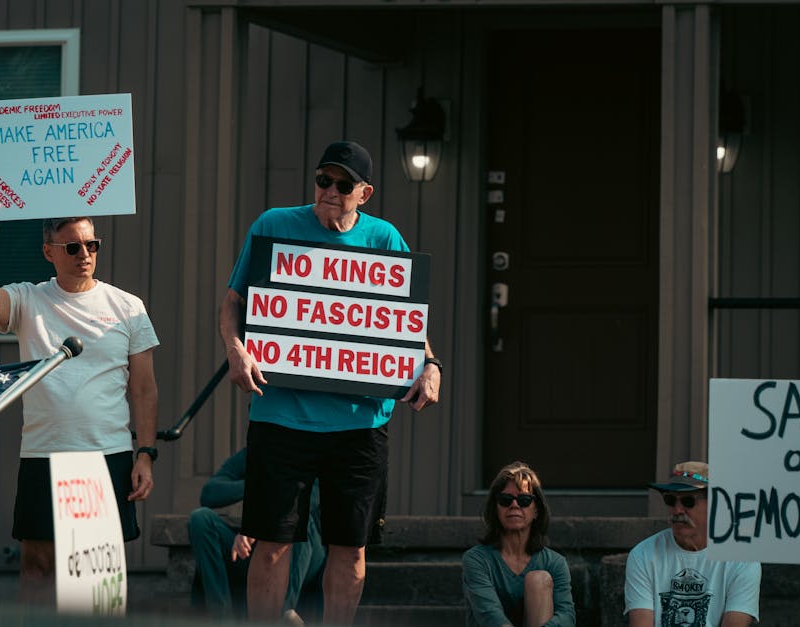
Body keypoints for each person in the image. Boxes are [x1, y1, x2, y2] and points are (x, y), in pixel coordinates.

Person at [220, 140, 442, 624]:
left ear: (365, 193)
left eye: (344, 185)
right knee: (274, 543)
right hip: (281, 414)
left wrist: (431, 365)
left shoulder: (384, 239)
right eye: (324, 180)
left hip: (360, 421)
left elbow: (405, 324)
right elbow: (234, 301)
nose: (331, 191)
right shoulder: (274, 225)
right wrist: (237, 351)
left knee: (352, 548)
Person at [0, 188, 160, 601]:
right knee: (37, 564)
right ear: (49, 252)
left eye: (92, 244)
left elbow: (143, 388)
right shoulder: (29, 299)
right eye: (72, 246)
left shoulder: (128, 306)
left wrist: (145, 453)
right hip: (43, 452)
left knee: (96, 576)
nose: (84, 254)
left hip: (106, 453)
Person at [188, 447, 325, 623]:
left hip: (304, 553)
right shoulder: (260, 449)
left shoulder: (315, 450)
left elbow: (309, 500)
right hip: (250, 548)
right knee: (200, 519)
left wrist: (258, 522)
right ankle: (222, 618)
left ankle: (284, 614)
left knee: (299, 519)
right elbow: (210, 493)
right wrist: (256, 485)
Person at [624, 461, 761, 626]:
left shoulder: (741, 560)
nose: (677, 510)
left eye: (688, 501)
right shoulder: (644, 554)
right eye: (670, 500)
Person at [462, 461, 575, 627]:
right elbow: (490, 616)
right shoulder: (476, 560)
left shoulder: (555, 563)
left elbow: (567, 616)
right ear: (496, 508)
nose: (514, 505)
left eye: (524, 500)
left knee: (539, 579)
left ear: (536, 510)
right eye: (505, 500)